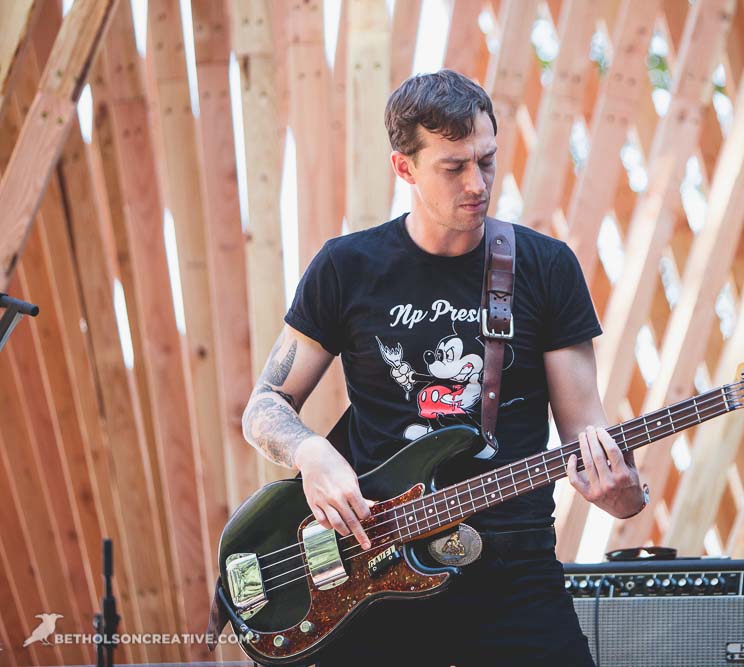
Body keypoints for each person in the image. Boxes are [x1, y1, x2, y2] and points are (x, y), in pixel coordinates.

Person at [241, 69, 646, 667]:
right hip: (375, 573)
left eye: (487, 161)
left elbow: (588, 435)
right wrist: (311, 454)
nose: (477, 184)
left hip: (515, 575)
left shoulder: (545, 267)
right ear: (404, 168)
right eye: (453, 167)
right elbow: (264, 405)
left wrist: (623, 494)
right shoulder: (347, 268)